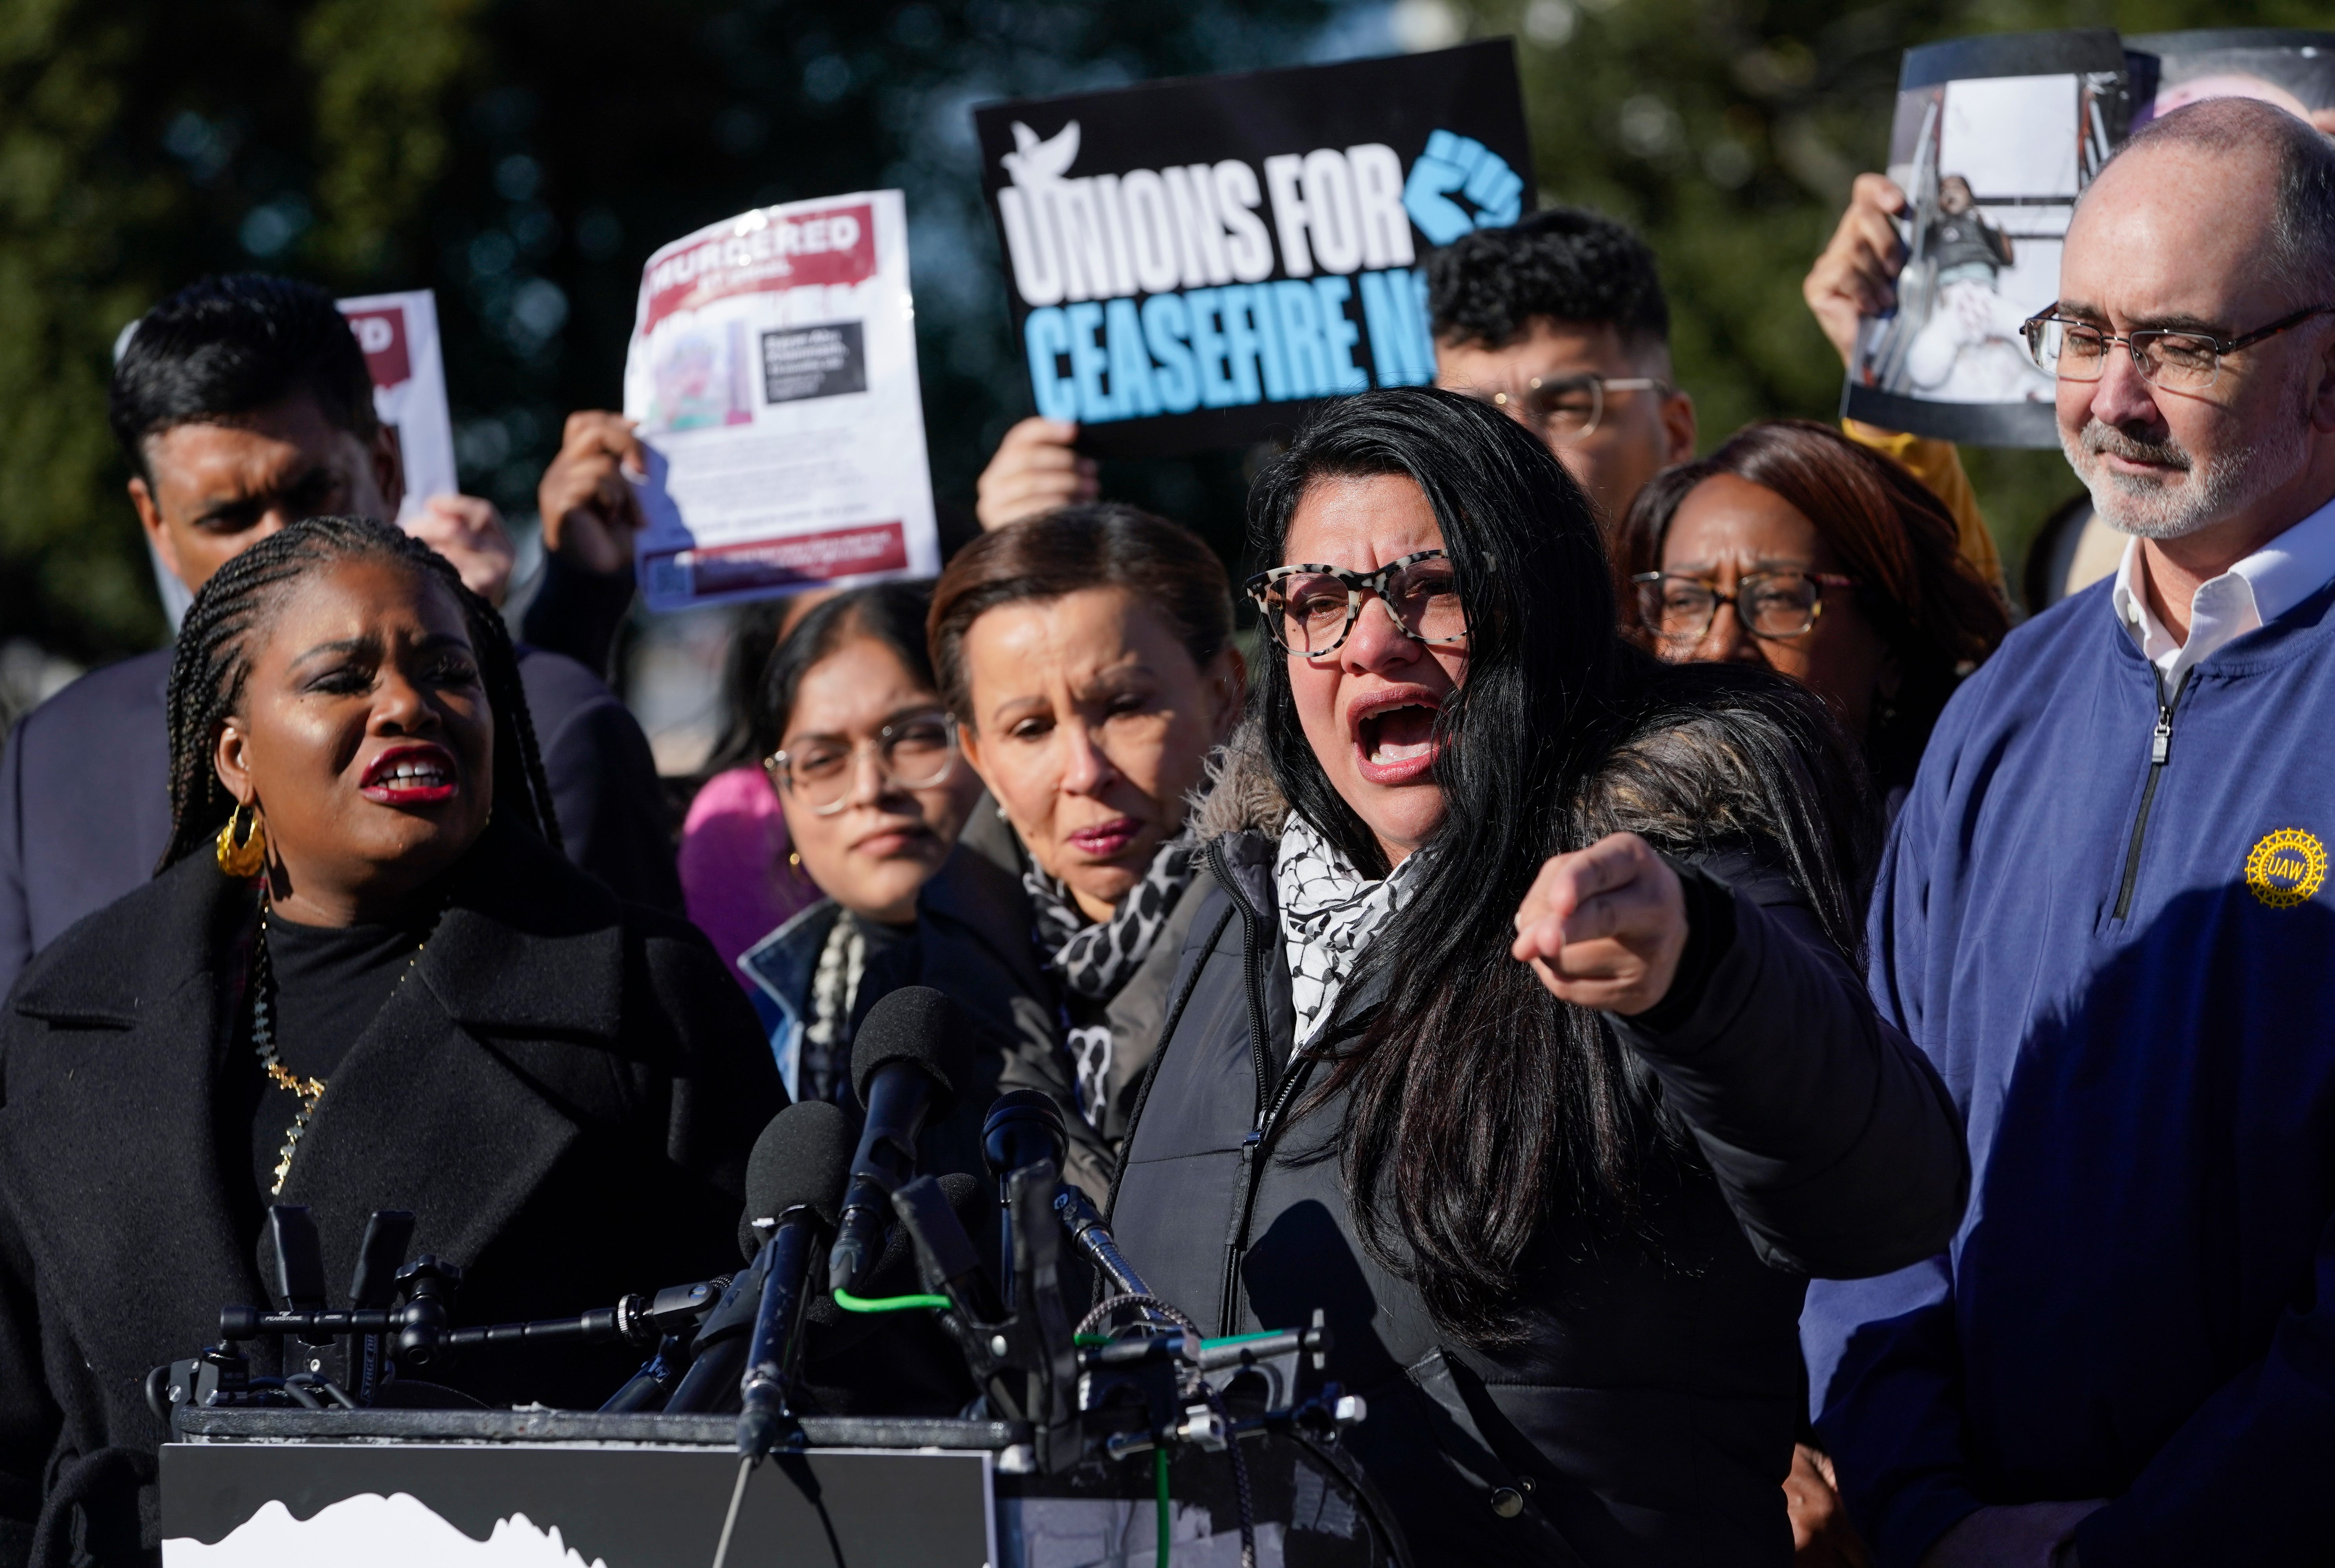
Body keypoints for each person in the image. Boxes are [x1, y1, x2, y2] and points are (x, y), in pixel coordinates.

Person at [1106, 386, 1967, 1566]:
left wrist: (1698, 974)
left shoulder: (1657, 878)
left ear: (1543, 605)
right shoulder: (1226, 908)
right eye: (1319, 600)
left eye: (1432, 588)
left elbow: (1889, 1196)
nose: (1371, 643)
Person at [0, 516, 780, 1561]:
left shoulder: (644, 1002)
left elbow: (765, 1391)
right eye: (342, 678)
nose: (409, 705)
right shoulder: (68, 1019)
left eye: (448, 671)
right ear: (235, 756)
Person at [1802, 97, 2335, 1567]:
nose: (2113, 395)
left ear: (2331, 362)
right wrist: (1928, 1515)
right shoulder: (2002, 711)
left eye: (2181, 344)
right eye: (2083, 333)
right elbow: (1874, 1176)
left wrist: (2126, 1550)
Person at [0, 276, 678, 998]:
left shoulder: (560, 724)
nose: (276, 546)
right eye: (226, 516)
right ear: (157, 524)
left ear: (384, 469)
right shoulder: (51, 758)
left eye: (310, 493)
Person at [927, 506, 1246, 1200]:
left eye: (1125, 706)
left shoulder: (1324, 932)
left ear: (1223, 693)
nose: (1083, 770)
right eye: (1031, 727)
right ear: (979, 754)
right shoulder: (925, 994)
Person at [1620, 418, 2009, 807]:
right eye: (1685, 601)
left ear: (1889, 647)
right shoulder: (1587, 840)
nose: (1720, 646)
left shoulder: (1963, 841)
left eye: (1778, 599)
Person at [733, 582, 993, 1099]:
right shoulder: (757, 1038)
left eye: (915, 737)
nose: (871, 790)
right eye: (822, 760)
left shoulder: (1087, 985)